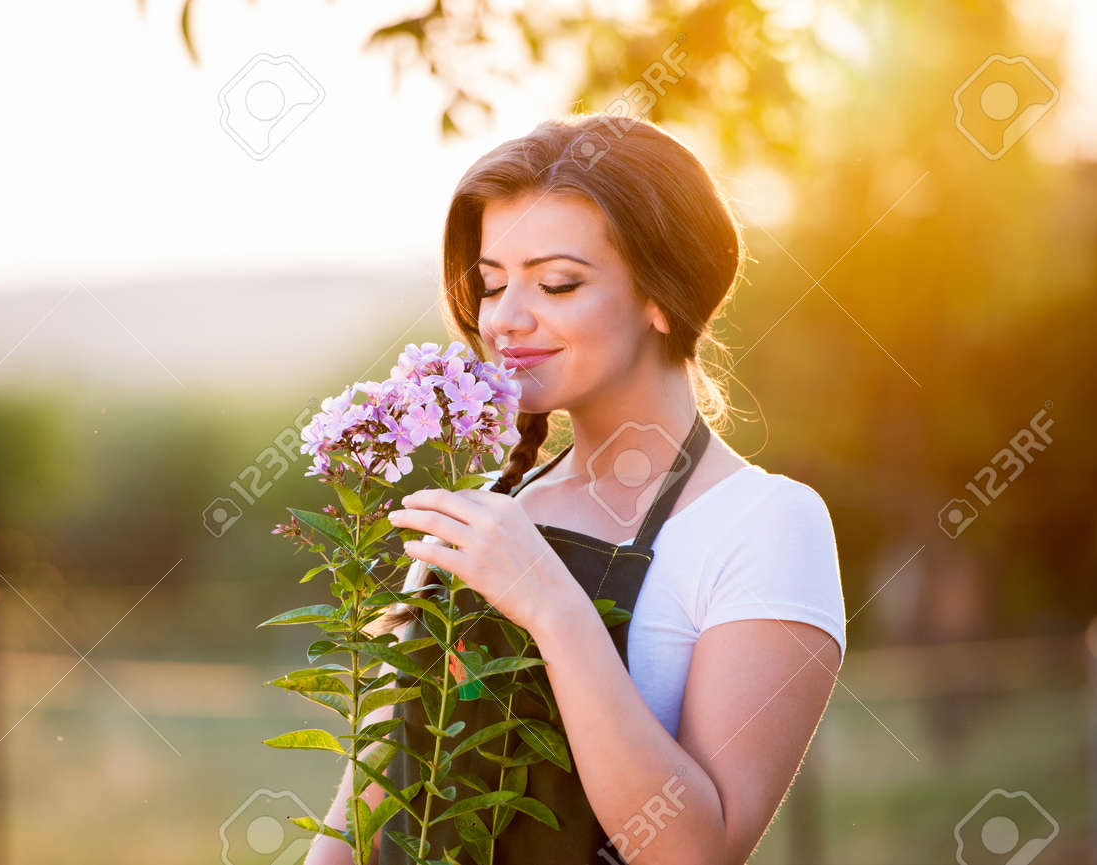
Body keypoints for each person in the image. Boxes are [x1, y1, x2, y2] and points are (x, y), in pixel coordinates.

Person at [304, 113, 846, 865]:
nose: (505, 319)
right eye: (492, 284)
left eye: (557, 283)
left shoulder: (765, 524)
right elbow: (368, 800)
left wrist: (551, 605)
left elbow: (696, 853)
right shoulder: (488, 507)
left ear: (663, 295)